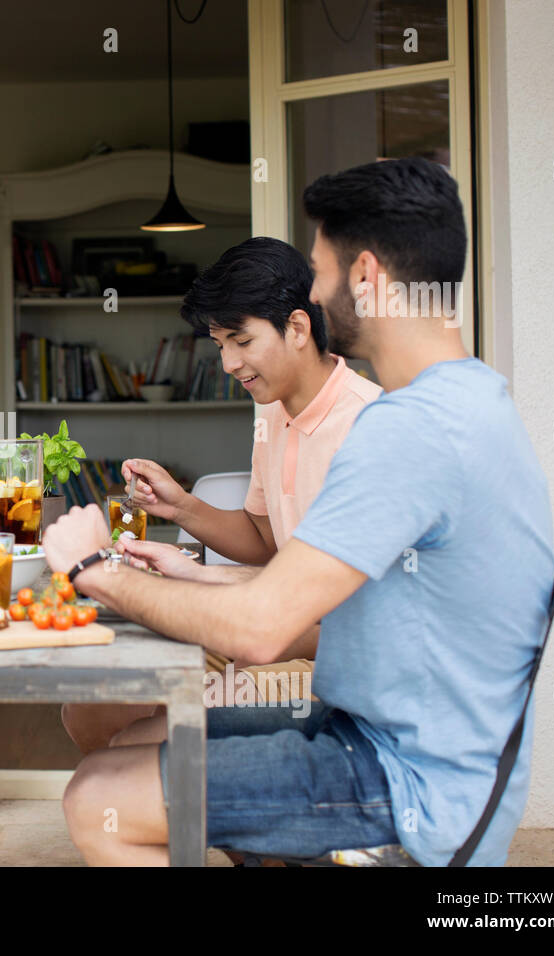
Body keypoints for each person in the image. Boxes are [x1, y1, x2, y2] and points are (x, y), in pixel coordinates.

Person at [44, 157, 554, 866]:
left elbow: (261, 631)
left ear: (367, 277)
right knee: (121, 756)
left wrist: (97, 569)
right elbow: (290, 579)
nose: (312, 295)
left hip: (410, 781)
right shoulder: (475, 401)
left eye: (318, 273)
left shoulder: (406, 429)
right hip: (397, 741)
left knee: (98, 802)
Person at [62, 237, 382, 753]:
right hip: (268, 626)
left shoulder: (370, 426)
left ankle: (176, 812)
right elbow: (262, 539)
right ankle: (174, 817)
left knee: (145, 739)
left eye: (241, 340)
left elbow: (361, 619)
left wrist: (227, 613)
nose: (229, 362)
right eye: (219, 346)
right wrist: (180, 507)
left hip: (339, 661)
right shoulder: (274, 416)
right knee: (92, 708)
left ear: (297, 328)